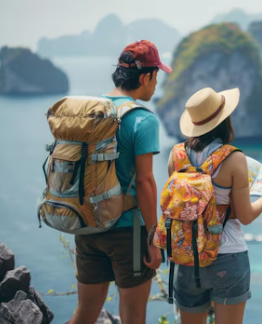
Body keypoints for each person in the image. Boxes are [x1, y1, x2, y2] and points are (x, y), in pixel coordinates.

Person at [69, 40, 171, 324]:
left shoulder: (92, 111)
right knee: (133, 318)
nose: (156, 84)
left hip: (87, 225)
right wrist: (153, 240)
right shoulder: (142, 120)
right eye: (156, 76)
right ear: (145, 76)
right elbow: (145, 182)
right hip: (128, 232)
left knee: (85, 314)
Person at [167, 87, 262, 324]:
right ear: (224, 120)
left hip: (188, 257)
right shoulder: (233, 159)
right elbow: (245, 216)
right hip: (228, 256)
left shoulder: (176, 156)